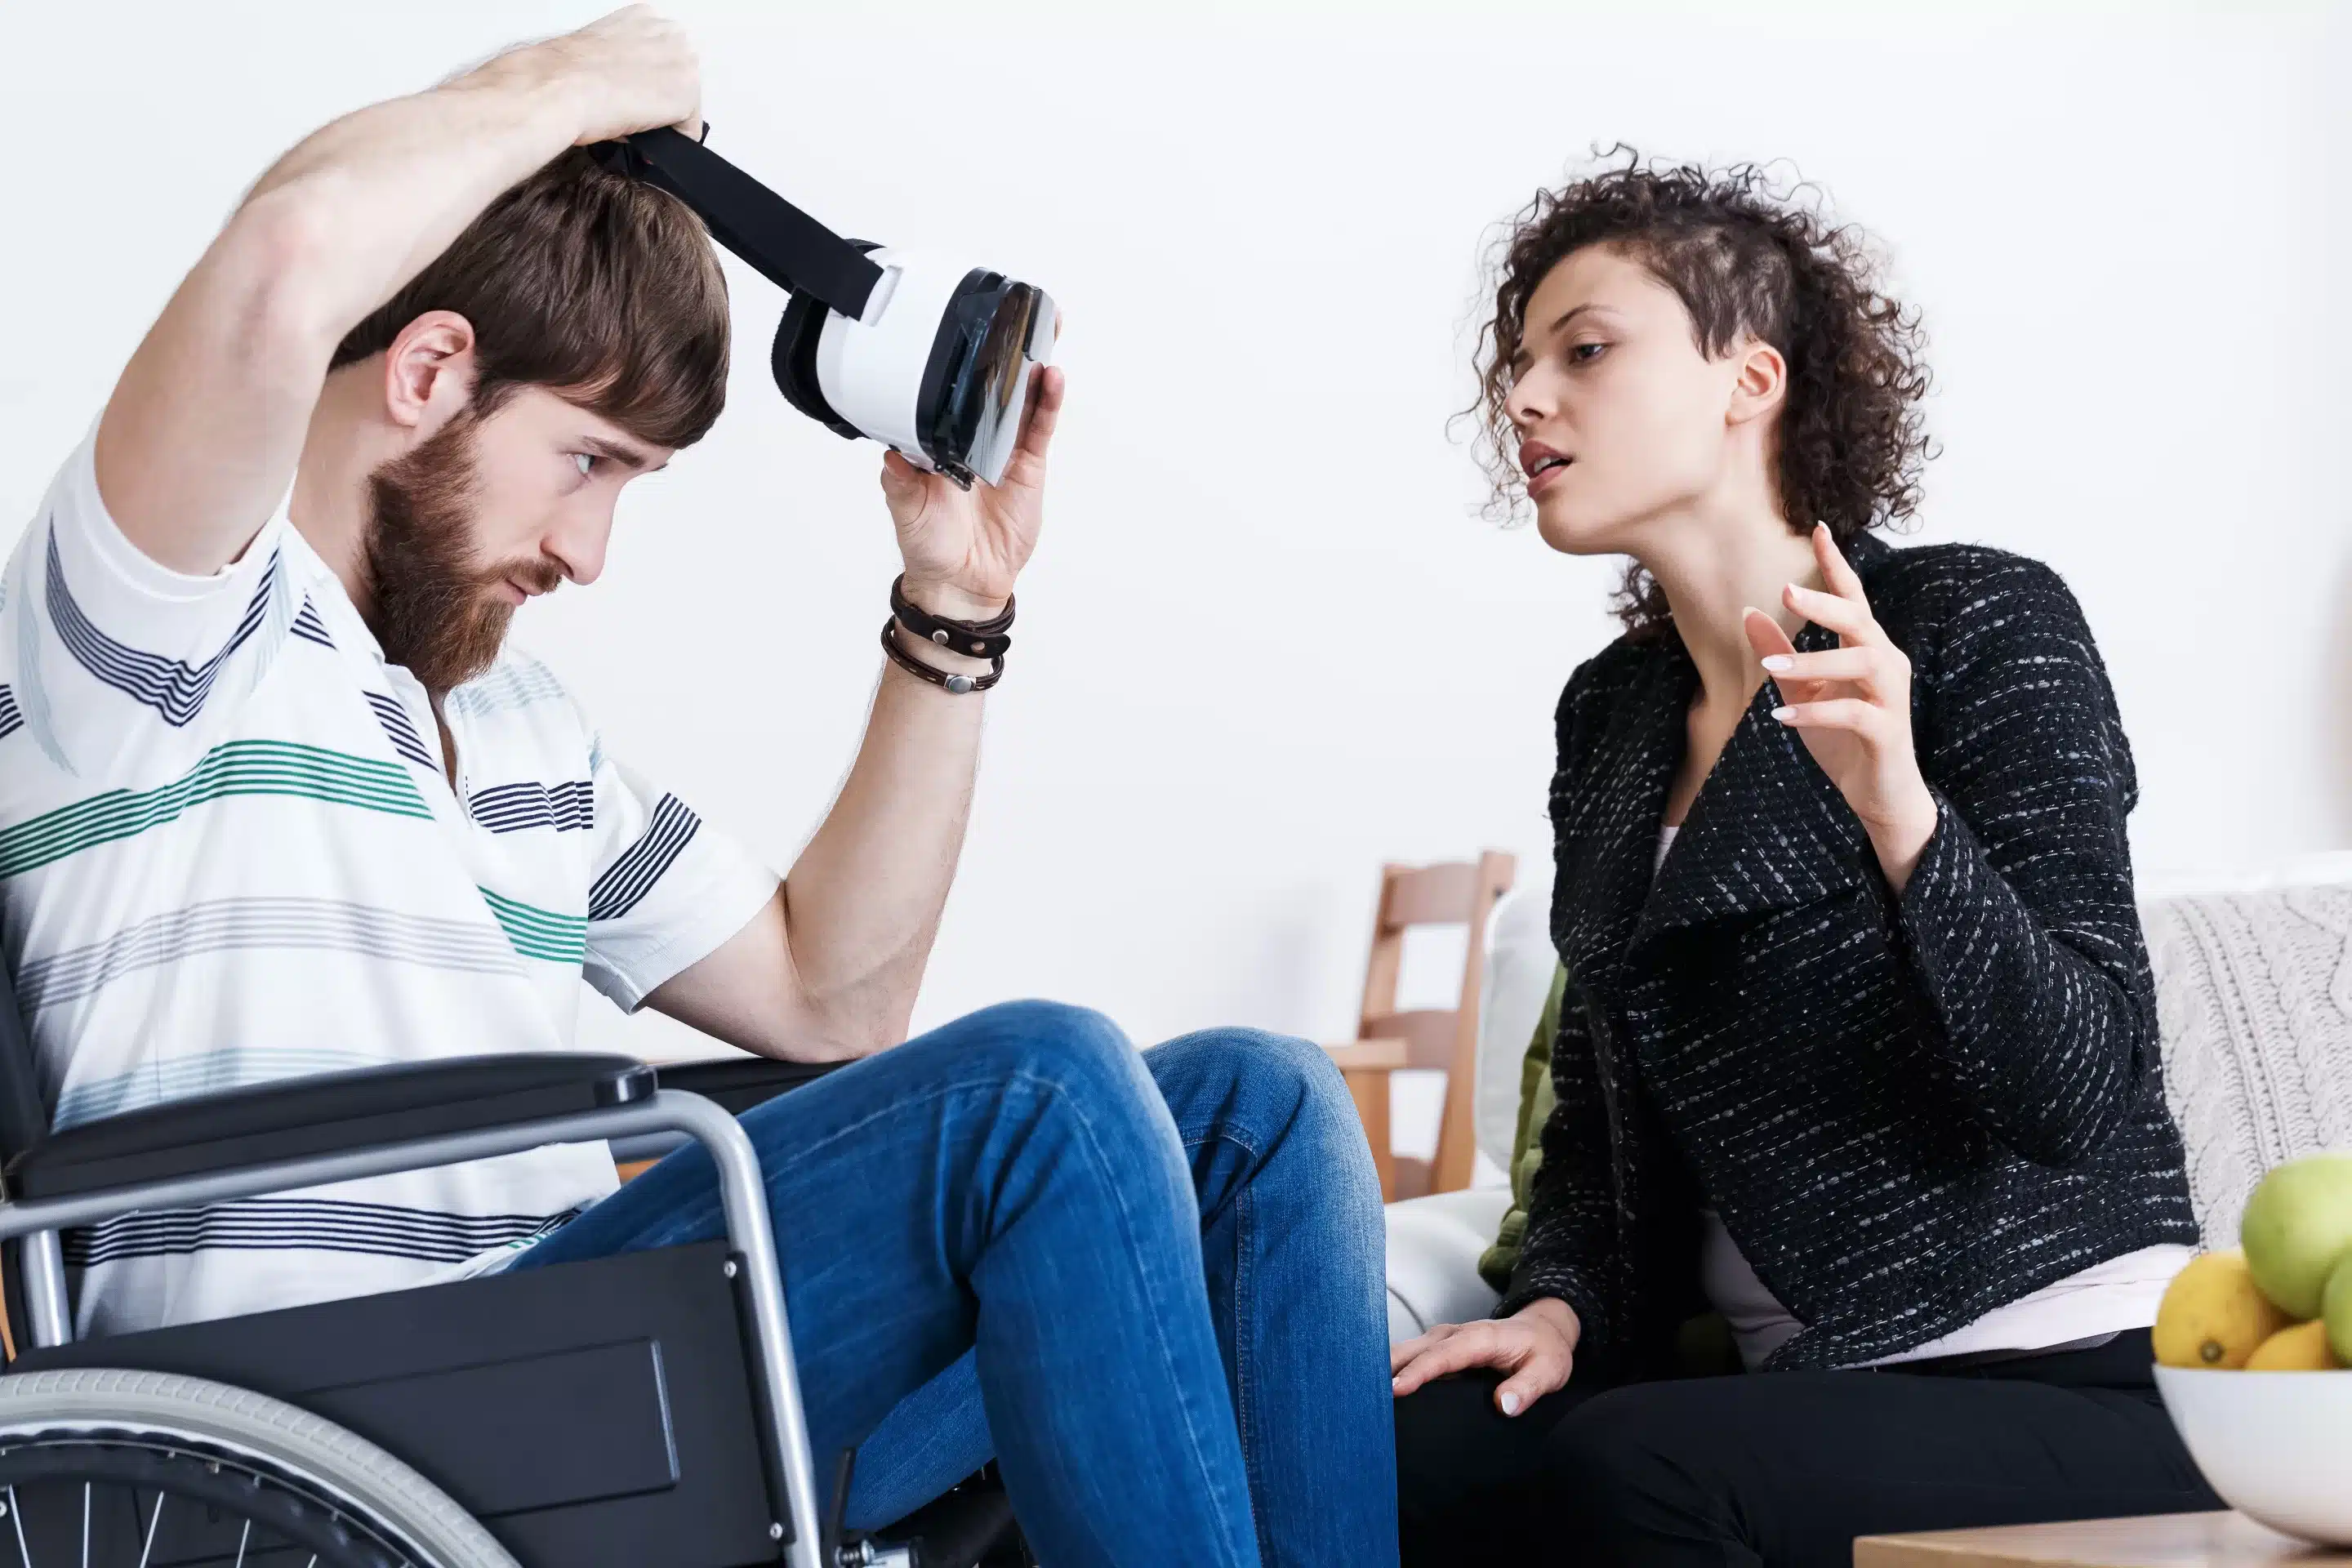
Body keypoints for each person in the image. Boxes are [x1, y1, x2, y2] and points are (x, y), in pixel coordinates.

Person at [0, 9, 1394, 1564]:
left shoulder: (524, 731)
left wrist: (956, 605)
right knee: (1039, 1092)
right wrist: (566, 90)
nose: (589, 556)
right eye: (589, 461)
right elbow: (282, 263)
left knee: (1259, 1114)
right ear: (429, 372)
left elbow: (831, 999)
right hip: (337, 1419)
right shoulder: (159, 630)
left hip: (579, 1373)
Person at [1388, 151, 2221, 1566]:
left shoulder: (1978, 625)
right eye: (1517, 367)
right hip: (1811, 1391)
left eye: (1584, 351)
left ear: (1748, 382)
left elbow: (2083, 1086)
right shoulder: (1612, 718)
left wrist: (1902, 812)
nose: (1523, 400)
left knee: (1631, 1475)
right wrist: (1565, 1305)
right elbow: (1601, 1114)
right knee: (1412, 1453)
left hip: (2068, 1365)